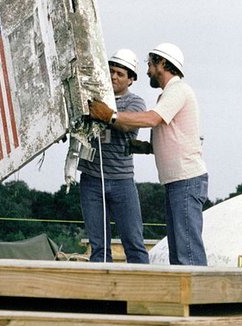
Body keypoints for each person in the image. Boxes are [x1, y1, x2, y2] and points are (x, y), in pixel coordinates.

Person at [88, 42, 208, 266]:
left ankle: (198, 299)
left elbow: (152, 119)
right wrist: (139, 146)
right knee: (180, 251)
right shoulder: (168, 95)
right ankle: (190, 299)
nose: (148, 71)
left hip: (186, 181)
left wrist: (110, 116)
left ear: (162, 63)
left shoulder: (178, 90)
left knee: (187, 252)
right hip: (178, 182)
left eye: (150, 64)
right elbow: (161, 142)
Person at [78, 49, 149, 263]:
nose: (114, 77)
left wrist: (108, 116)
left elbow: (128, 125)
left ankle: (142, 291)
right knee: (98, 246)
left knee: (134, 243)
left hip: (122, 181)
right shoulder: (91, 97)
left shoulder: (135, 103)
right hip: (91, 179)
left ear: (131, 80)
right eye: (111, 71)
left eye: (120, 73)